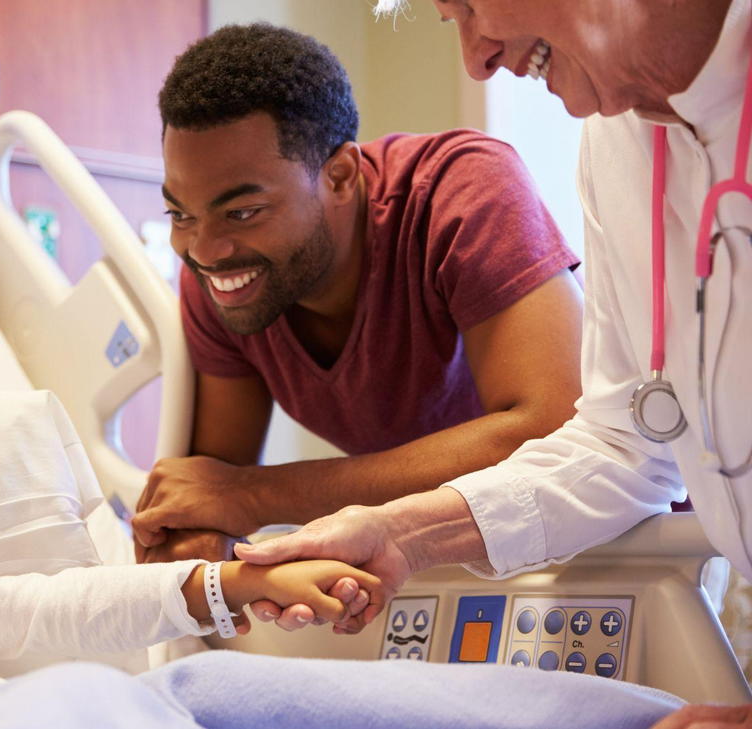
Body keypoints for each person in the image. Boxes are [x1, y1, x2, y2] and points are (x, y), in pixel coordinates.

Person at [0, 302, 694, 729]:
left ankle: (640, 720)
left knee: (203, 687)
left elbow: (51, 607)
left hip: (62, 709)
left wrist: (235, 584)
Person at [232, 1, 752, 726]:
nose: (477, 59)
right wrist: (400, 534)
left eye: (471, 4)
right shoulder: (618, 146)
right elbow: (623, 443)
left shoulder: (464, 188)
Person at [131, 23, 585, 573]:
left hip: (612, 547)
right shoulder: (224, 282)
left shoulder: (460, 193)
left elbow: (554, 431)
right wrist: (197, 535)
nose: (203, 250)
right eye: (180, 214)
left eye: (242, 212)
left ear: (341, 176)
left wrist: (258, 495)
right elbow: (215, 490)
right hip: (433, 565)